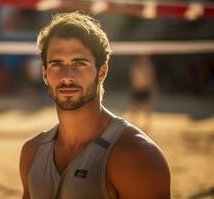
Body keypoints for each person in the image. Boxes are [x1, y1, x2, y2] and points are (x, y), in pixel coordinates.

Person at [19, 12, 170, 199]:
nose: (67, 76)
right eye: (56, 64)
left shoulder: (137, 156)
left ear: (102, 72)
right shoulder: (32, 152)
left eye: (79, 64)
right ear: (44, 73)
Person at [129, 55, 157, 133]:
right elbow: (133, 78)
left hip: (144, 89)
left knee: (146, 108)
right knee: (134, 108)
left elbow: (151, 79)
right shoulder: (135, 67)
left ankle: (147, 126)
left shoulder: (149, 67)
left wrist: (152, 90)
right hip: (137, 90)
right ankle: (133, 124)